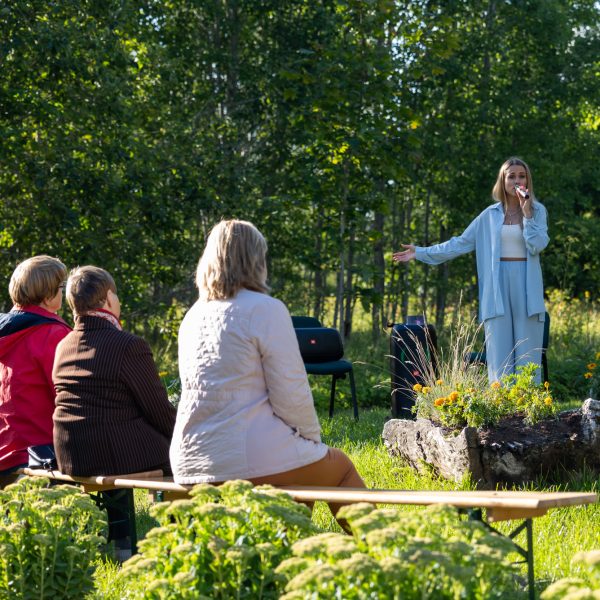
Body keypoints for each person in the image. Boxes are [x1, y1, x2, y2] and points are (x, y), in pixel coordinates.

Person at [170, 219, 365, 526]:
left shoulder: (192, 316)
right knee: (338, 466)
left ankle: (278, 548)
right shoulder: (264, 308)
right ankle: (382, 548)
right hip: (245, 456)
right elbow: (291, 391)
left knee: (299, 464)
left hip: (190, 458)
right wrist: (312, 441)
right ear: (255, 260)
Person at [52, 266, 176, 558]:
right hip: (111, 452)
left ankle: (121, 546)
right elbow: (158, 409)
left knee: (118, 428)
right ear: (108, 298)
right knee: (184, 456)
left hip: (71, 453)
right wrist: (184, 437)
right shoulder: (128, 345)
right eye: (116, 295)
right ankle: (177, 542)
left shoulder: (64, 345)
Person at [393, 157, 549, 383]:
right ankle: (502, 403)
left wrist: (527, 215)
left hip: (527, 285)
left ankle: (530, 403)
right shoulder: (489, 216)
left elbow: (538, 244)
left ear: (527, 181)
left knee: (528, 357)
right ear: (503, 181)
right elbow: (458, 244)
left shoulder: (537, 211)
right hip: (496, 289)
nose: (517, 180)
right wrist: (420, 252)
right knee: (500, 358)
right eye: (511, 176)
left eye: (521, 176)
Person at [0, 256, 71, 486]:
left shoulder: (6, 332)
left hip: (5, 453)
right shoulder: (53, 334)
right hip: (42, 456)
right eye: (61, 287)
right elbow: (70, 396)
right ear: (48, 295)